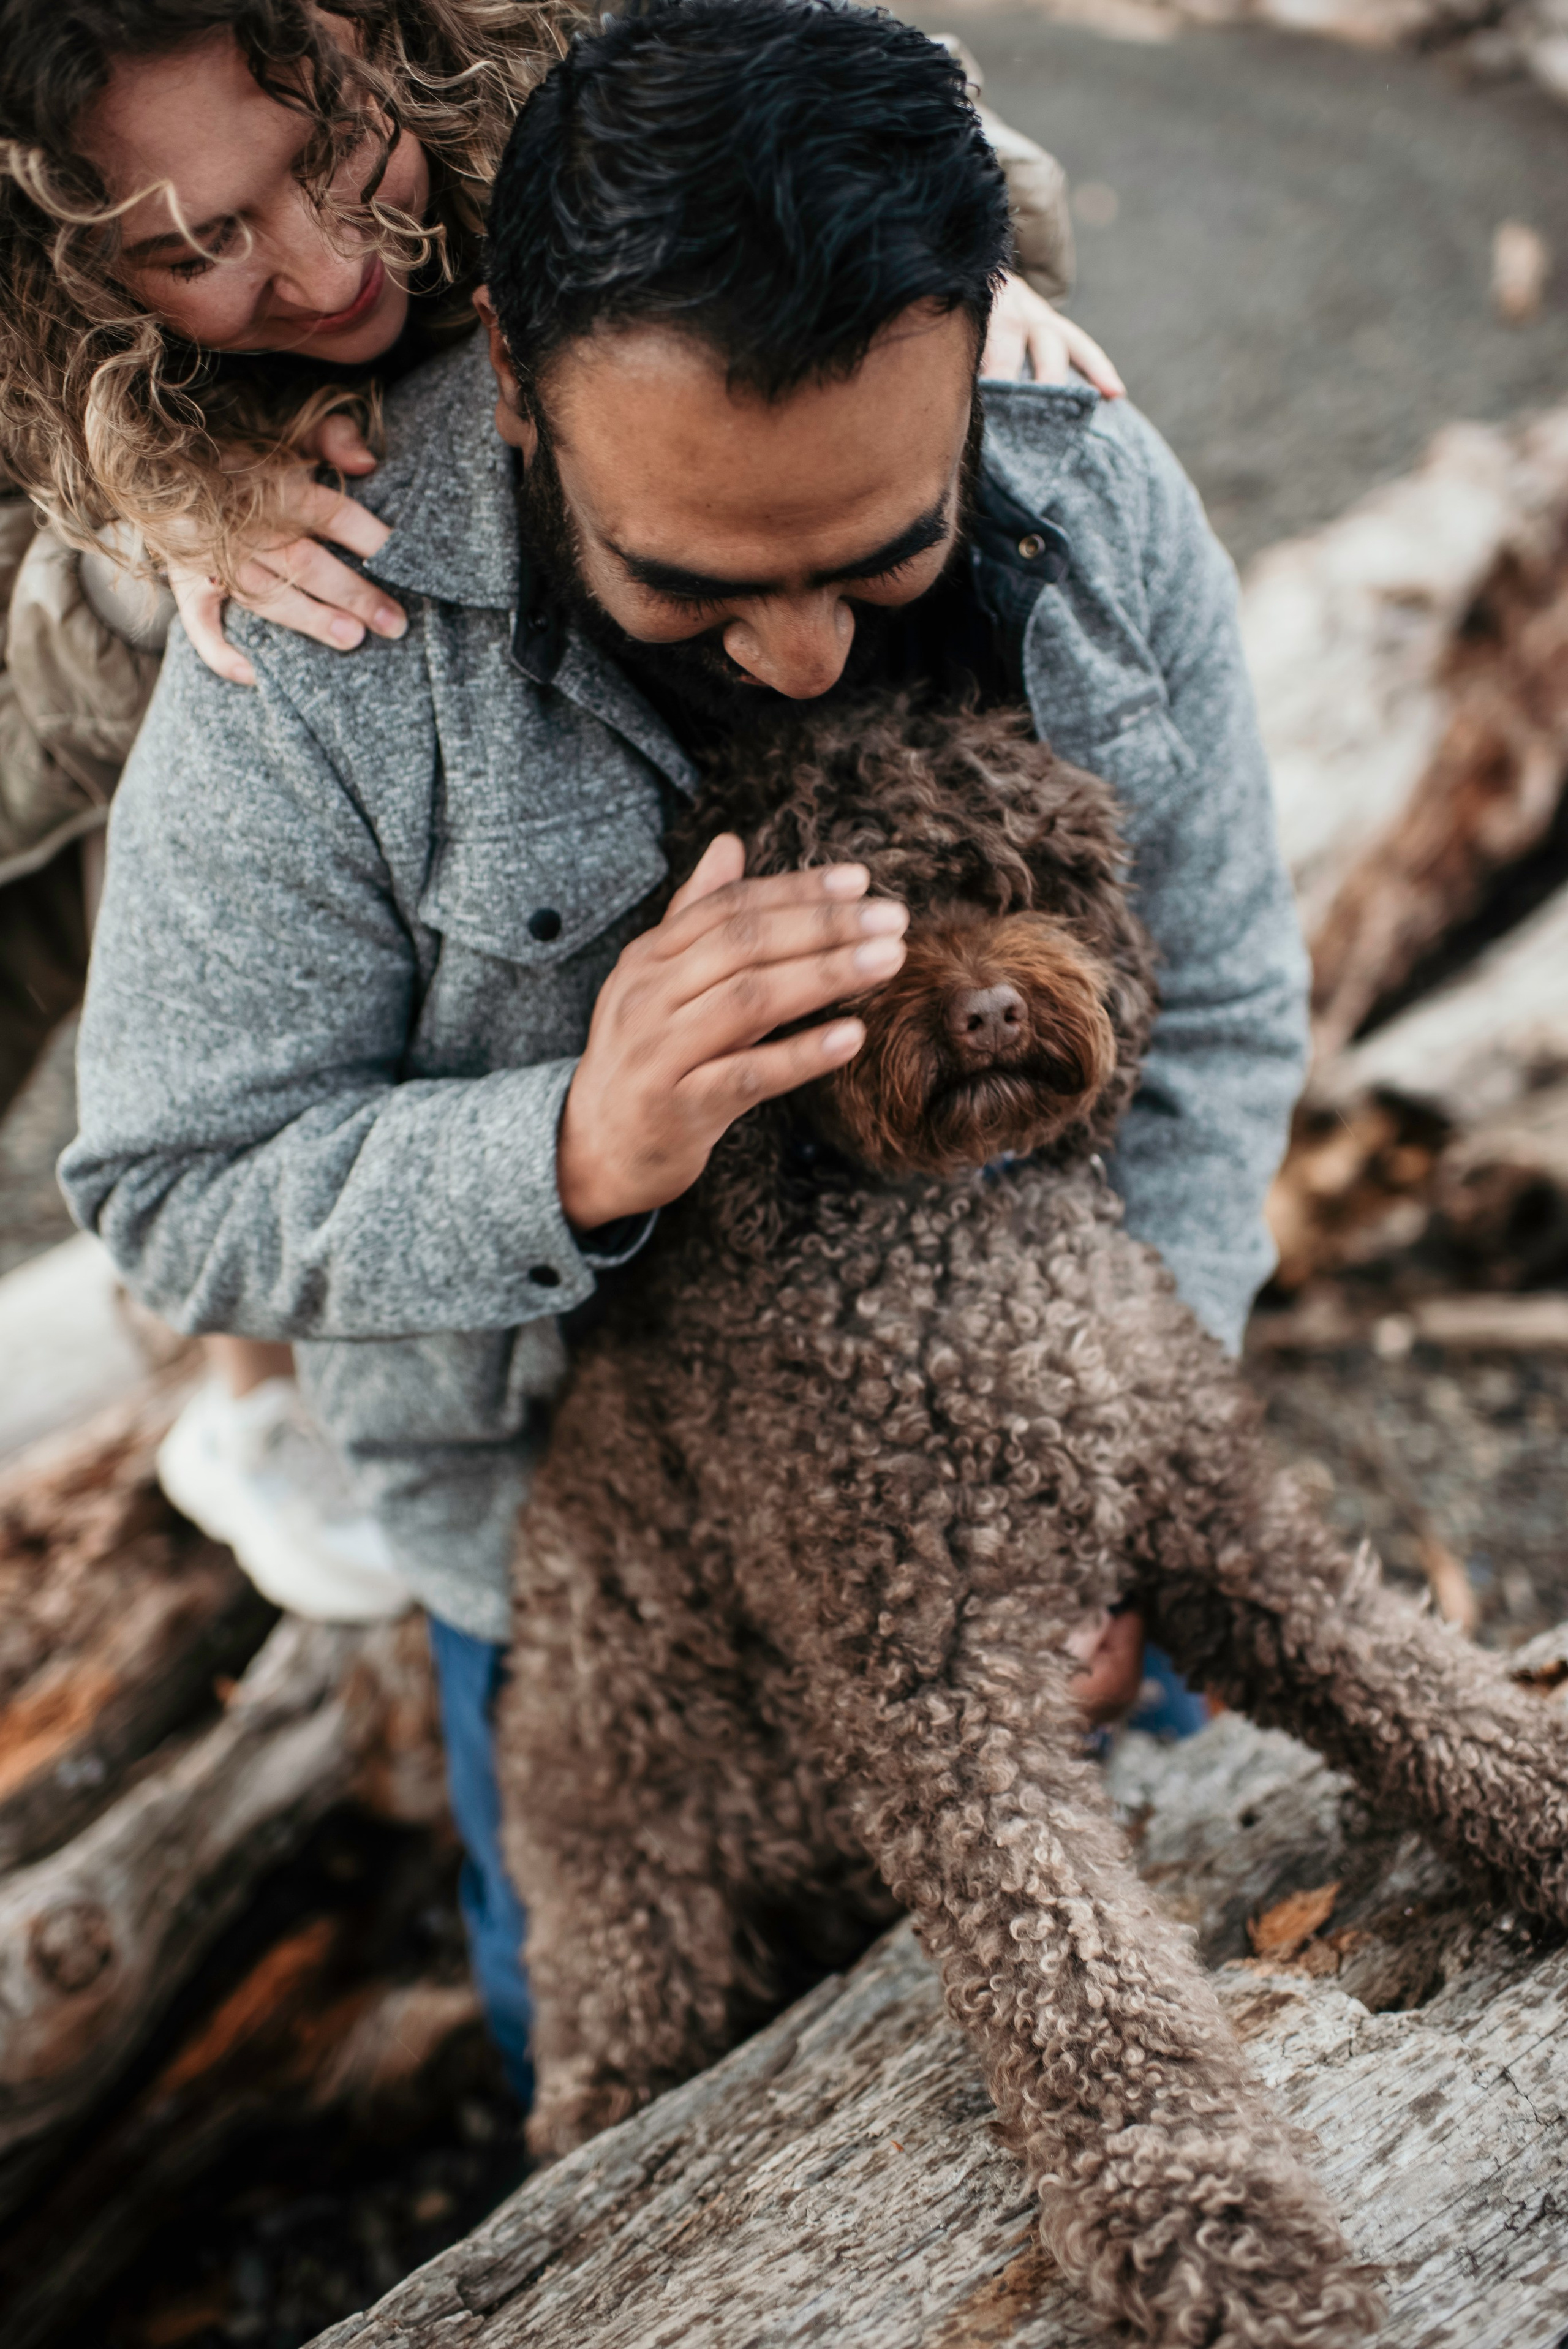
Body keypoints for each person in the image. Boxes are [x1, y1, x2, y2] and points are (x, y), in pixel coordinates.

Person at [60, 0, 1306, 2098]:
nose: (807, 649)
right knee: (644, 2135)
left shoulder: (1085, 483)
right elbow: (171, 1185)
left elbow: (1231, 1016)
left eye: (880, 551)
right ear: (524, 404)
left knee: (1198, 2009)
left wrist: (1112, 1492)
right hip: (580, 1614)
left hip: (1058, 1513)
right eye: (699, 580)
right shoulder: (309, 656)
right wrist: (564, 1147)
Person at [0, 0, 1109, 1627]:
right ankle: (247, 1402)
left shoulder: (538, 50)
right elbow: (176, 1146)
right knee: (239, 849)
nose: (322, 275)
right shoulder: (48, 382)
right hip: (184, 866)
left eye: (329, 153)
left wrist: (946, 281)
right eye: (201, 248)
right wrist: (147, 544)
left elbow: (882, 132)